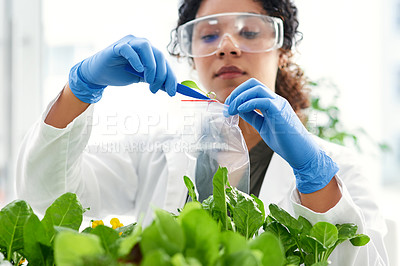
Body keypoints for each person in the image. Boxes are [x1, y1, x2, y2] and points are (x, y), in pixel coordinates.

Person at [16, 0, 388, 264]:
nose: (227, 47)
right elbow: (48, 198)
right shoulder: (154, 149)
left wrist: (316, 179)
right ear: (190, 56)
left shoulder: (341, 168)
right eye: (208, 36)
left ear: (282, 50)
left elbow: (367, 261)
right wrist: (78, 90)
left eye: (249, 31)